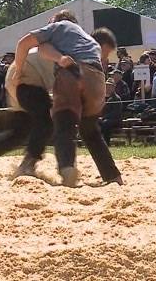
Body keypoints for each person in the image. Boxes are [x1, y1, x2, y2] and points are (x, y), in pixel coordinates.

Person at [14, 11, 122, 187]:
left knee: (64, 125)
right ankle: (112, 176)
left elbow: (23, 43)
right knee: (91, 131)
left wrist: (18, 71)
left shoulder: (58, 26)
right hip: (97, 79)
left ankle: (67, 168)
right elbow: (45, 49)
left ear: (56, 21)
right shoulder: (88, 39)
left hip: (71, 74)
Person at [0, 49, 55, 175]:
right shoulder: (81, 52)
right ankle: (28, 164)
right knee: (46, 124)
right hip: (27, 76)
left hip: (17, 76)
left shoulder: (68, 43)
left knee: (19, 132)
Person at [100, 79, 123, 146]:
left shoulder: (116, 98)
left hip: (116, 120)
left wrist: (104, 117)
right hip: (106, 118)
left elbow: (116, 113)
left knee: (106, 123)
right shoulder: (104, 98)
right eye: (106, 86)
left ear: (113, 87)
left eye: (109, 86)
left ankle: (106, 142)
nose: (107, 88)